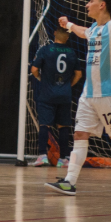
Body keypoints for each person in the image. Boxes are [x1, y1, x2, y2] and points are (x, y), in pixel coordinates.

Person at [46, 0, 111, 196]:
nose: (87, 4)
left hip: (108, 95)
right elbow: (83, 32)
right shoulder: (93, 29)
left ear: (102, 5)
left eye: (91, 1)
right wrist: (68, 25)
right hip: (88, 95)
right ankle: (69, 181)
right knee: (80, 134)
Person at [31, 27, 82, 167]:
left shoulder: (45, 50)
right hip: (64, 94)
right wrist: (69, 85)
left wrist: (40, 79)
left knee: (44, 124)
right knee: (63, 126)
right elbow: (79, 74)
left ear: (54, 33)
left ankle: (42, 156)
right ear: (68, 37)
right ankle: (63, 159)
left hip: (47, 93)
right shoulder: (71, 52)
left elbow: (34, 69)